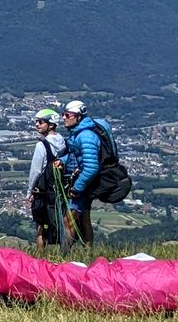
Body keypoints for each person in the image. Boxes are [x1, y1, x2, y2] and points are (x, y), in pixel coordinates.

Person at [60, 99, 114, 245]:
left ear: (78, 116)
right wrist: (62, 161)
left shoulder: (85, 136)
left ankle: (64, 258)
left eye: (67, 115)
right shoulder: (77, 134)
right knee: (84, 220)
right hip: (82, 183)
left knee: (68, 221)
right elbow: (74, 156)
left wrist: (77, 187)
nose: (63, 118)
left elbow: (91, 167)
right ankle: (87, 254)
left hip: (82, 185)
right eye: (63, 114)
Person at [26, 108, 68, 249]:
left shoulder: (41, 145)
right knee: (59, 220)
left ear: (50, 125)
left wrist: (30, 191)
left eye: (41, 122)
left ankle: (40, 260)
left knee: (40, 228)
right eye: (36, 121)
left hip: (43, 191)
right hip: (59, 190)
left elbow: (36, 171)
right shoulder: (62, 142)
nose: (37, 124)